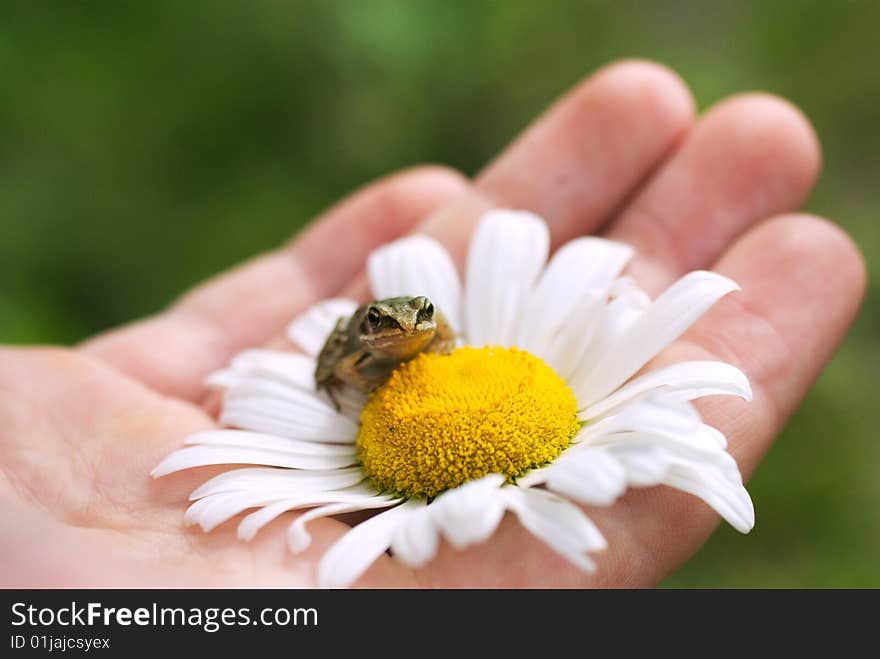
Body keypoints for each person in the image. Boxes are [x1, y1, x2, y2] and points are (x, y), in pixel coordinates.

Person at [0, 60, 865, 587]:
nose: (413, 321)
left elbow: (437, 333)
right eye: (398, 317)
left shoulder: (439, 332)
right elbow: (328, 364)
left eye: (421, 317)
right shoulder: (354, 352)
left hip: (515, 415)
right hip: (362, 439)